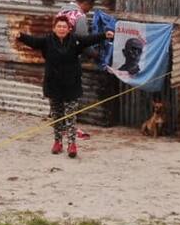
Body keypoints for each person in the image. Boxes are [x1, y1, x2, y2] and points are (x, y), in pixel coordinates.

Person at [17, 18, 113, 158]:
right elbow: (34, 42)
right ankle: (57, 142)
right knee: (57, 116)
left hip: (71, 85)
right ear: (54, 28)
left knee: (71, 116)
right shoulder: (47, 41)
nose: (61, 29)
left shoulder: (75, 40)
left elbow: (89, 40)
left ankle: (72, 144)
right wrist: (21, 36)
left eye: (64, 27)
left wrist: (105, 35)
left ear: (69, 29)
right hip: (53, 85)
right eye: (59, 26)